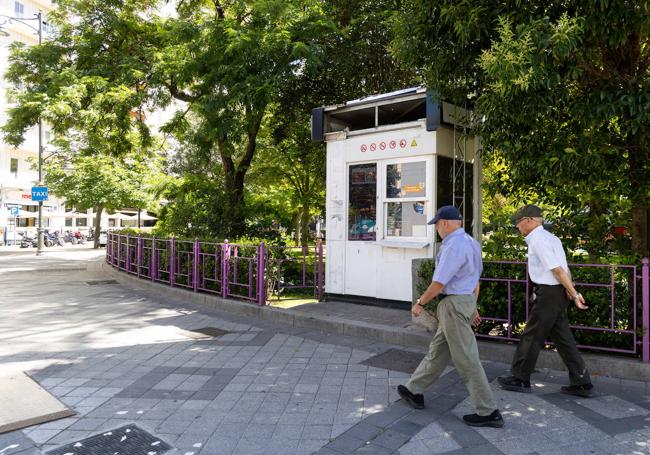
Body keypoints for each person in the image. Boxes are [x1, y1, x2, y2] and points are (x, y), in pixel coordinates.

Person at [398, 205, 504, 428]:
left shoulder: (452, 246)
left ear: (445, 223)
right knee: (438, 350)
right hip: (464, 301)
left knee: (467, 358)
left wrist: (420, 303)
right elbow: (475, 279)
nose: (436, 229)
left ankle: (488, 410)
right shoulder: (471, 243)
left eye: (436, 224)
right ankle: (413, 389)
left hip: (453, 305)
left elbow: (439, 282)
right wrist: (473, 305)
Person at [498, 204, 594, 397]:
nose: (517, 227)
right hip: (556, 292)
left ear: (530, 221)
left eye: (518, 222)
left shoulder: (539, 240)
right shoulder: (552, 238)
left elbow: (557, 270)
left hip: (549, 294)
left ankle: (520, 378)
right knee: (563, 338)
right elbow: (564, 268)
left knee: (531, 335)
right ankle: (582, 382)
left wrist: (574, 293)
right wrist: (569, 288)